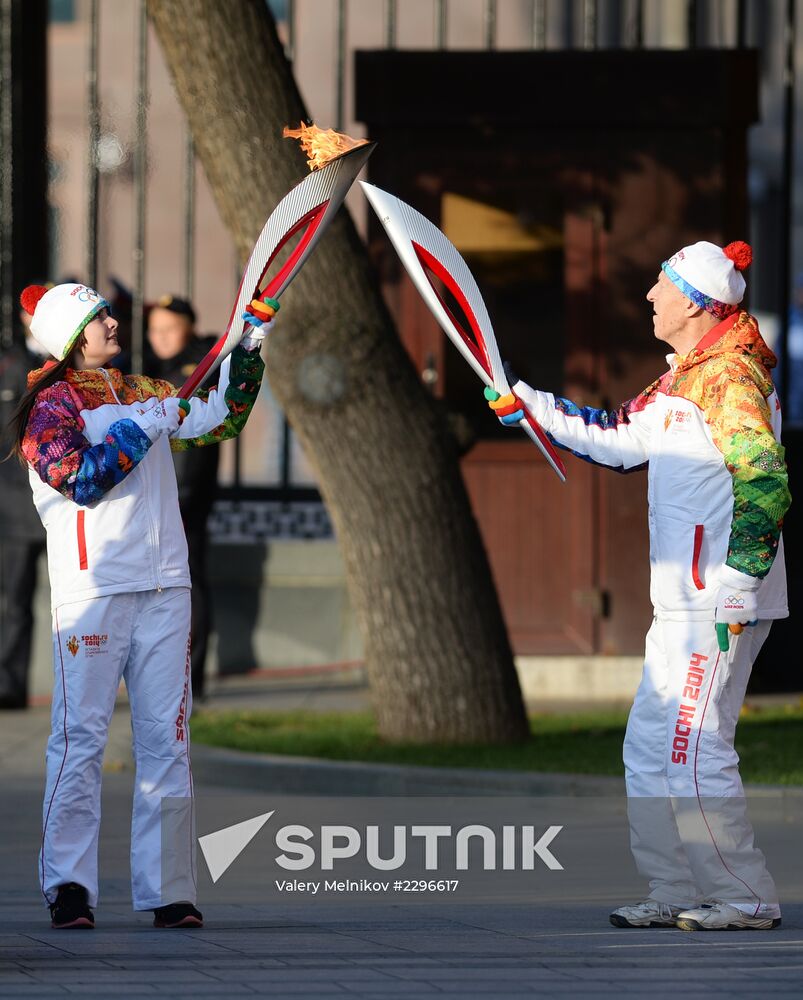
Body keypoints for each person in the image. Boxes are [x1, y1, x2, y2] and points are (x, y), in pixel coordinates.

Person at [487, 241, 790, 932]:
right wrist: (525, 403)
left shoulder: (730, 380)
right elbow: (616, 439)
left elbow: (766, 480)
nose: (648, 296)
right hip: (678, 599)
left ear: (690, 300)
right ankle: (675, 887)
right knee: (650, 748)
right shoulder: (682, 378)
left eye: (658, 285)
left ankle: (743, 894)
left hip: (717, 597)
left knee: (692, 745)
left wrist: (740, 580)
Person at [10, 281, 270, 930]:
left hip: (165, 587)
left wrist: (249, 349)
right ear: (71, 336)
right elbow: (81, 479)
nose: (112, 324)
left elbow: (223, 416)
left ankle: (168, 889)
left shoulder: (145, 391)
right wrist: (139, 429)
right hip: (94, 592)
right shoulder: (49, 405)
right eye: (97, 318)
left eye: (108, 314)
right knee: (80, 742)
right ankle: (68, 887)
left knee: (168, 740)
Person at [145, 295, 220, 700]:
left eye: (169, 329)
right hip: (171, 497)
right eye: (154, 329)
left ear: (188, 328)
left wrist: (177, 500)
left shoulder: (196, 370)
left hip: (184, 499)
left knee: (188, 585)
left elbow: (192, 447)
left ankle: (191, 678)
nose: (159, 338)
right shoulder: (163, 368)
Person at [0, 307, 48, 709]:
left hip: (65, 502)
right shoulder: (12, 363)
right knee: (13, 601)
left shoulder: (74, 363)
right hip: (17, 503)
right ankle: (9, 686)